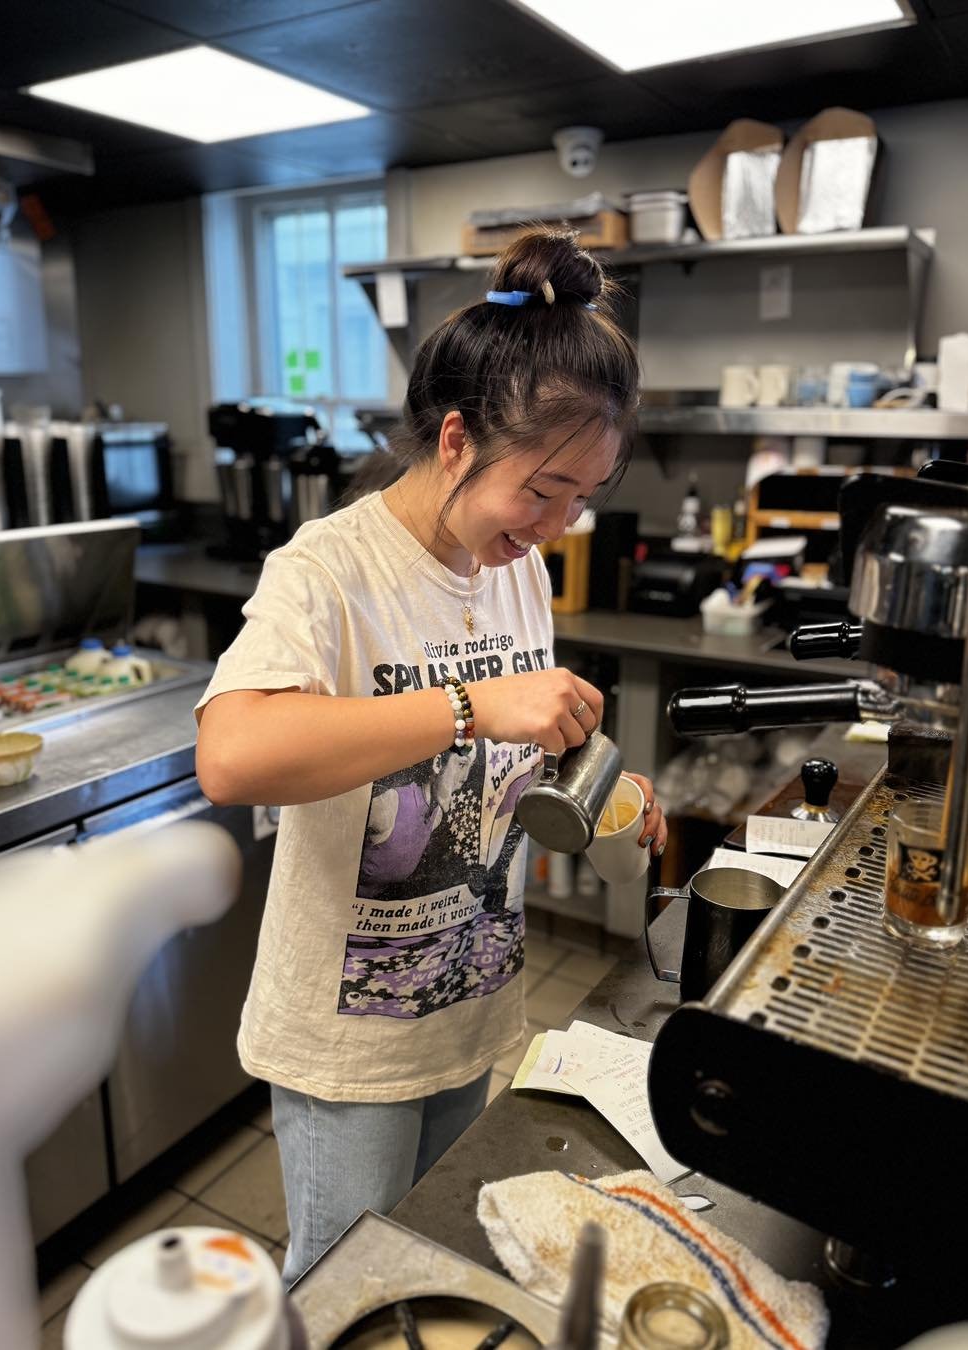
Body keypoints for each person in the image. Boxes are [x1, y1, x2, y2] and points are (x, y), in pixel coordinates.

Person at [195, 228, 668, 1287]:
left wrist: (594, 782)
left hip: (470, 993)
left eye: (581, 499)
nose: (553, 527)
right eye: (541, 492)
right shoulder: (331, 569)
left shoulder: (513, 571)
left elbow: (504, 751)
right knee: (347, 1284)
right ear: (455, 440)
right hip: (351, 1039)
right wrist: (470, 706)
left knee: (432, 1263)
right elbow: (230, 756)